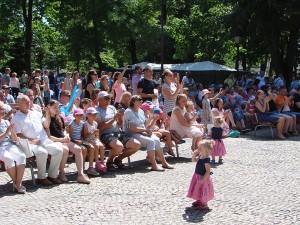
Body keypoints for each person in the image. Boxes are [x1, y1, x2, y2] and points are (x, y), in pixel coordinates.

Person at [12, 95, 63, 186]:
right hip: (30, 144)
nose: (28, 104)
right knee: (42, 152)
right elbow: (18, 134)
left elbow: (46, 125)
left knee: (58, 151)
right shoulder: (16, 118)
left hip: (43, 139)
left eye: (29, 101)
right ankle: (42, 177)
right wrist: (31, 140)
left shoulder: (36, 113)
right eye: (25, 102)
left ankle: (52, 175)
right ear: (19, 104)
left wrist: (47, 114)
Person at [45, 100, 90, 184]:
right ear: (49, 107)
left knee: (78, 149)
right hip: (55, 141)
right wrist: (61, 140)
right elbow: (49, 137)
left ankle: (80, 174)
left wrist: (66, 135)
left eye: (58, 107)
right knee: (65, 149)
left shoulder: (59, 118)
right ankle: (62, 173)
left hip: (63, 139)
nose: (57, 109)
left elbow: (63, 130)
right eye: (54, 107)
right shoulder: (46, 120)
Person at [123, 95, 173, 171]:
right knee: (151, 141)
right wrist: (145, 130)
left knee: (156, 139)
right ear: (133, 102)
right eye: (139, 100)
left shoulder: (140, 111)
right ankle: (154, 165)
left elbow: (145, 125)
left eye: (141, 100)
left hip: (141, 132)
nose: (141, 101)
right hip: (131, 134)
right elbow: (132, 128)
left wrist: (152, 120)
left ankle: (164, 162)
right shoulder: (129, 111)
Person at [96, 91, 141, 171]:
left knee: (136, 145)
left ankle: (118, 159)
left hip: (117, 132)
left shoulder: (112, 108)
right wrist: (113, 119)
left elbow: (119, 124)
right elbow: (100, 127)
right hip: (105, 134)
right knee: (119, 146)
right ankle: (109, 161)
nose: (108, 100)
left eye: (109, 98)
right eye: (106, 98)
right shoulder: (96, 110)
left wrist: (120, 117)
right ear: (99, 100)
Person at [0, 101, 26, 194]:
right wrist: (7, 132)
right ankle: (17, 183)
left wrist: (12, 131)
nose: (3, 111)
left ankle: (17, 183)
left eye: (3, 109)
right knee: (8, 159)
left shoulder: (6, 122)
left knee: (21, 156)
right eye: (1, 109)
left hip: (9, 145)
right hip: (0, 147)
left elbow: (14, 139)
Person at [68, 108, 99, 176]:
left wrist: (81, 140)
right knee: (84, 150)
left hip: (81, 140)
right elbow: (70, 137)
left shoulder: (82, 123)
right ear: (74, 115)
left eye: (81, 115)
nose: (79, 116)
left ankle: (90, 167)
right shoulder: (71, 124)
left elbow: (82, 134)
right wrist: (76, 141)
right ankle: (82, 167)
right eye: (77, 115)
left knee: (92, 148)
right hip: (73, 141)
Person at [187, 140, 215, 210]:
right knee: (198, 188)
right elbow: (193, 160)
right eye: (198, 148)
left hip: (203, 177)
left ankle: (205, 204)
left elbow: (208, 171)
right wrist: (194, 154)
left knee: (203, 189)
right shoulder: (201, 156)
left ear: (206, 150)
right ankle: (199, 200)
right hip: (197, 175)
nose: (198, 150)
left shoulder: (206, 159)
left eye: (200, 149)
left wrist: (203, 179)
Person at [83, 107, 106, 174]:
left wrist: (99, 140)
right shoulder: (85, 124)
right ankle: (97, 162)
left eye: (95, 115)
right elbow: (85, 136)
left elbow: (97, 135)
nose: (94, 116)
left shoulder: (95, 123)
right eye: (93, 115)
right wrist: (93, 133)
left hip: (94, 139)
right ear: (88, 115)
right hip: (88, 140)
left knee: (101, 146)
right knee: (95, 146)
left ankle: (102, 162)